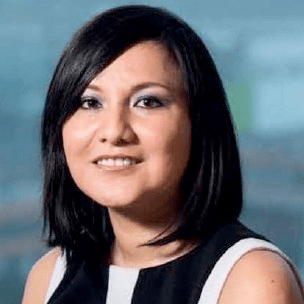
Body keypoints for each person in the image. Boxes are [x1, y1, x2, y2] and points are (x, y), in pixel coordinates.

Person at [22, 5, 303, 304]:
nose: (114, 131)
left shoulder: (250, 279)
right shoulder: (49, 276)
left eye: (147, 101)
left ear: (199, 123)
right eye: (90, 102)